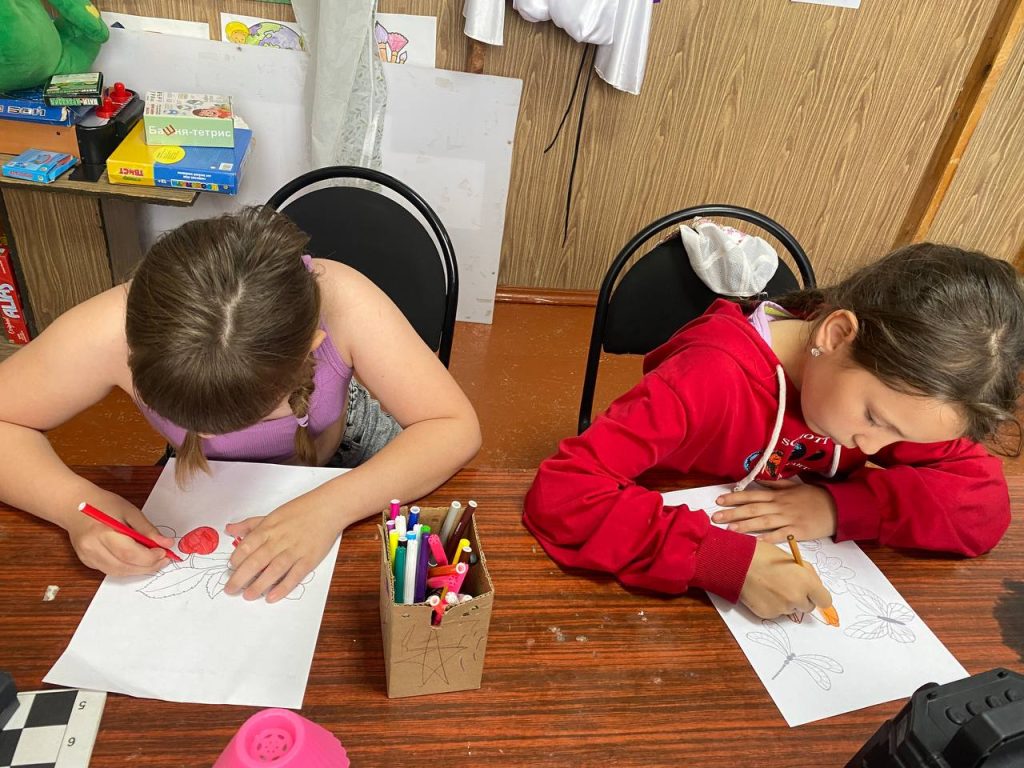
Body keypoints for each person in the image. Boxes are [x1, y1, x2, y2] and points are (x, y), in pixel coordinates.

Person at [0, 206, 480, 602]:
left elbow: (453, 426)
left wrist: (332, 506)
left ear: (311, 351)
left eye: (248, 417)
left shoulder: (345, 303)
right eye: (194, 422)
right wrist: (75, 507)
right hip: (202, 481)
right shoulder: (109, 330)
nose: (211, 434)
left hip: (346, 454)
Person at [523, 243, 1024, 619]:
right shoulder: (709, 377)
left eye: (901, 439)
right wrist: (723, 563)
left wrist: (840, 507)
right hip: (655, 585)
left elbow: (982, 506)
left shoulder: (898, 394)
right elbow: (563, 494)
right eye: (874, 418)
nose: (873, 447)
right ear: (836, 335)